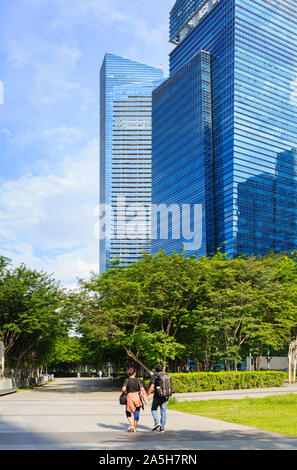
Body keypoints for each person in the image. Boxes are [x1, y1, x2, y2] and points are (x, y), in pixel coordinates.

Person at [147, 363, 172, 433]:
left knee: (153, 409)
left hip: (157, 396)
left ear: (155, 369)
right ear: (163, 369)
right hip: (166, 396)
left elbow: (151, 388)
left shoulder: (154, 376)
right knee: (163, 410)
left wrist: (146, 395)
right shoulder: (167, 375)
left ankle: (156, 422)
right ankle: (162, 428)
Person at [121, 367, 148, 433]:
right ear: (135, 373)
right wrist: (146, 396)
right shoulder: (138, 380)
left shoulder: (126, 380)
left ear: (129, 373)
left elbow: (124, 389)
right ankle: (135, 428)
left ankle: (131, 424)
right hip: (137, 397)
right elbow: (142, 389)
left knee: (128, 411)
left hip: (130, 397)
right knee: (137, 412)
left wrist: (122, 393)